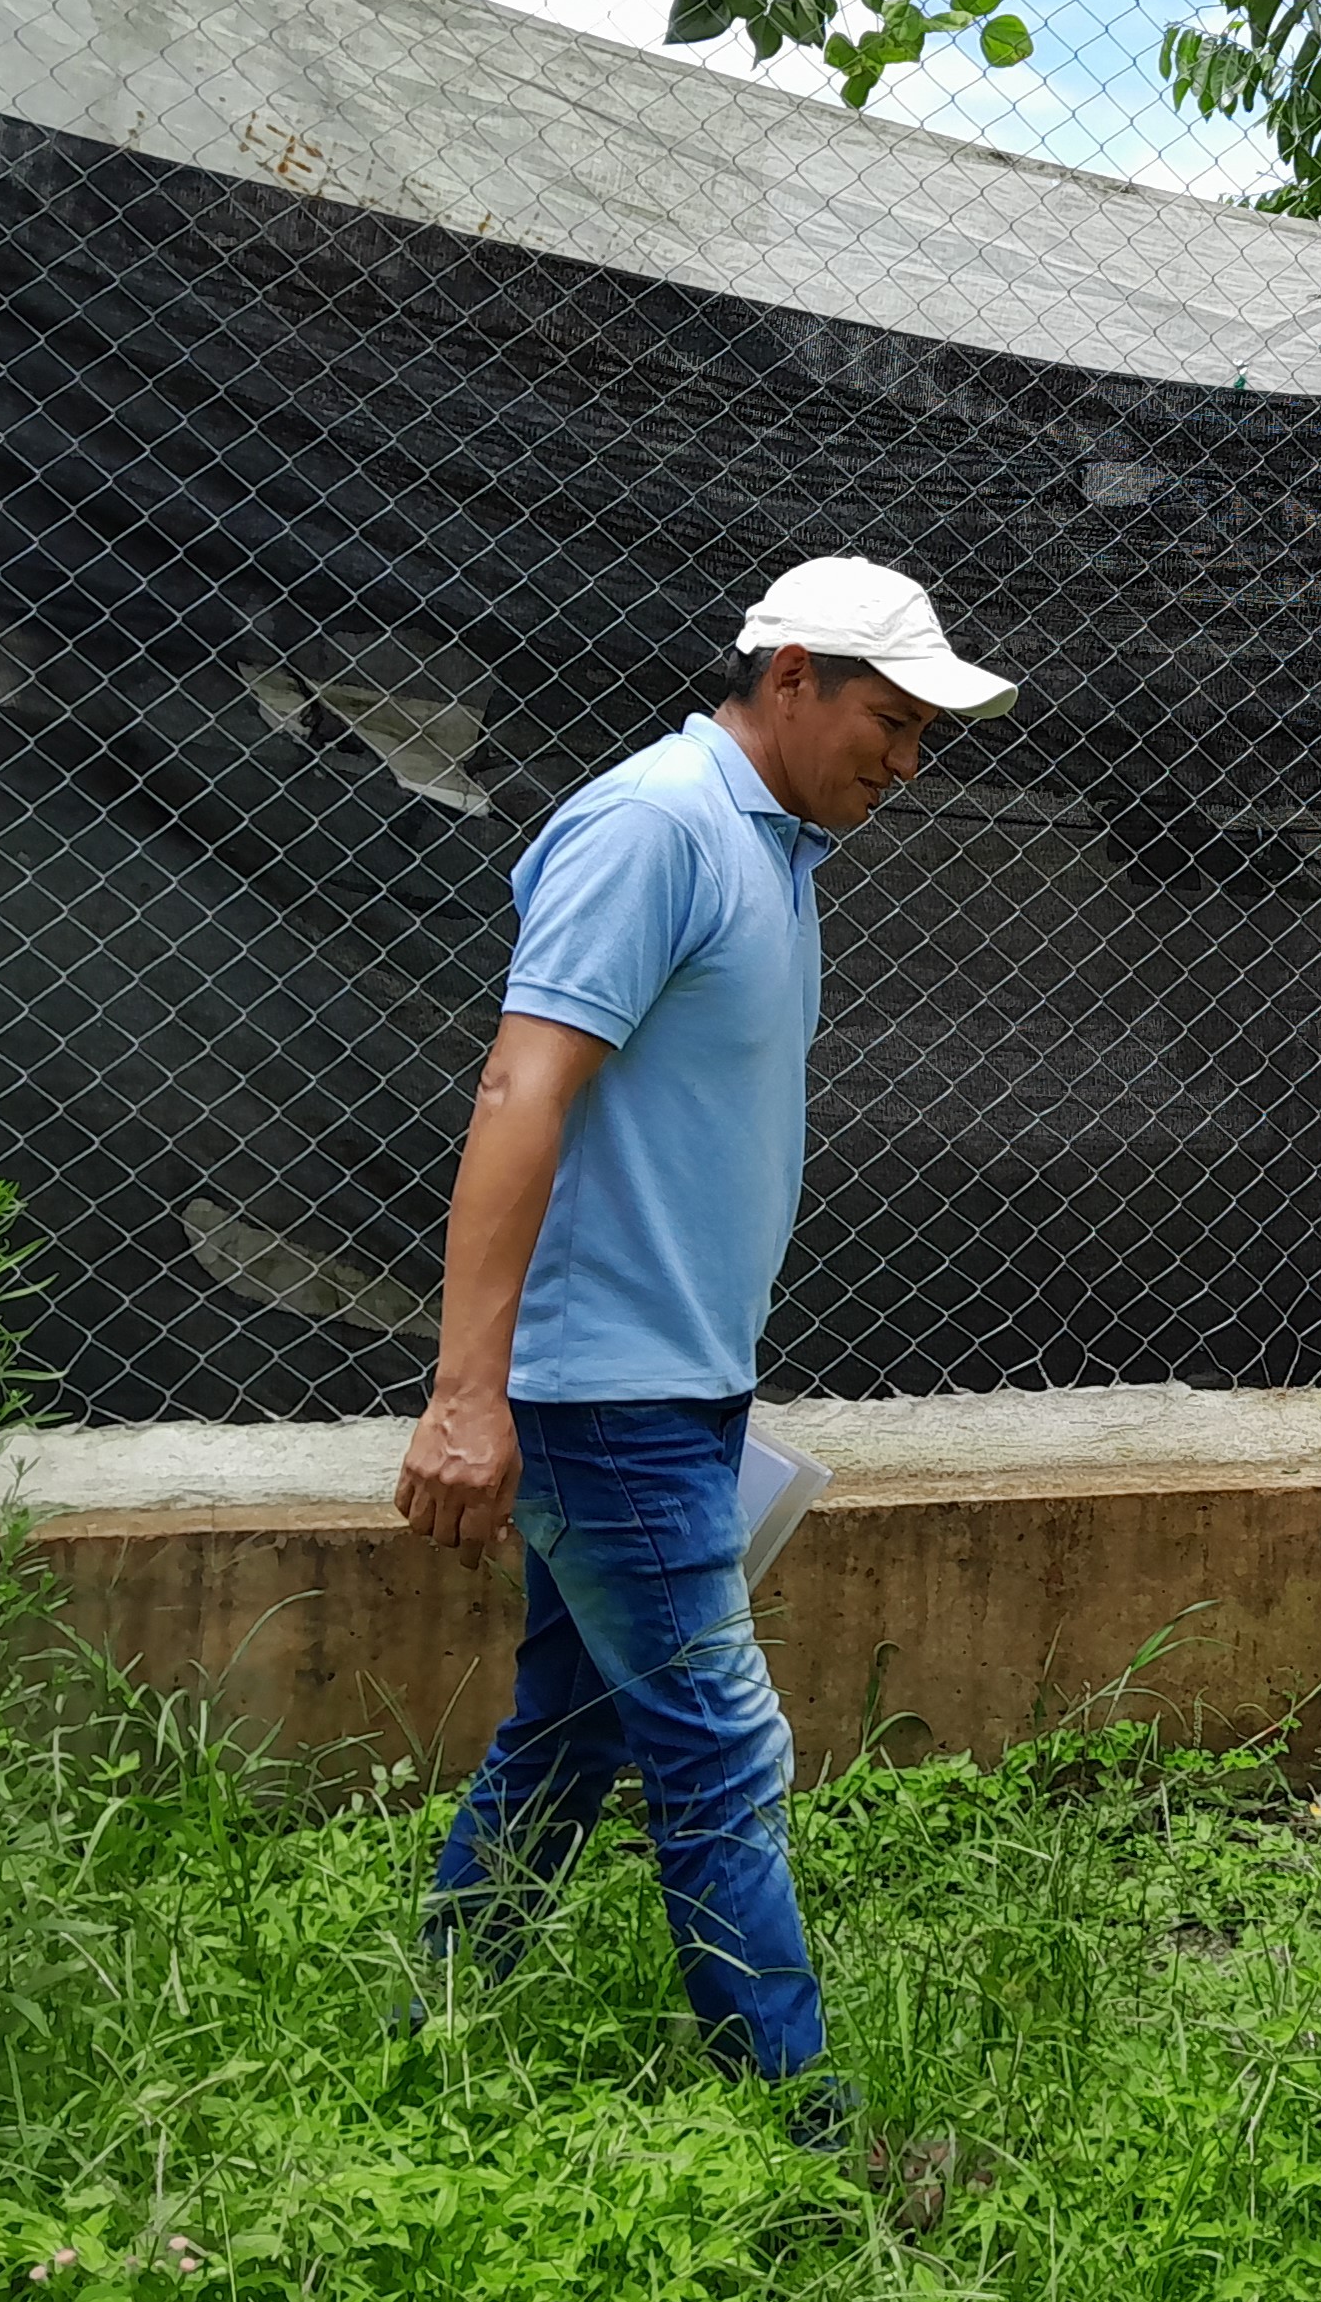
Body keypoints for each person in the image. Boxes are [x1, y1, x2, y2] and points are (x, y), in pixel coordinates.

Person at [392, 556, 1014, 2093]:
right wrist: (467, 1395)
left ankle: (433, 2040)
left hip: (673, 1384)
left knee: (572, 1729)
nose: (909, 762)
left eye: (926, 734)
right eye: (891, 720)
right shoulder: (655, 827)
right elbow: (519, 1088)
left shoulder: (767, 847)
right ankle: (812, 2141)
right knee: (723, 1756)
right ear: (791, 675)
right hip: (607, 1395)